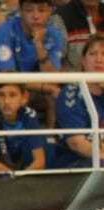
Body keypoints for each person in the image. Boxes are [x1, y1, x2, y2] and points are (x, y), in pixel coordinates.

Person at [50, 33, 104, 169]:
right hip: (75, 163)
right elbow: (77, 143)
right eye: (93, 54)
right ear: (84, 61)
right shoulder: (71, 93)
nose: (99, 59)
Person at [0, 80, 47, 171]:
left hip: (17, 175)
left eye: (12, 95)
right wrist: (13, 178)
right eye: (1, 95)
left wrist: (19, 179)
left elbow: (39, 161)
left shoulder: (29, 115)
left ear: (24, 97)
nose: (6, 101)